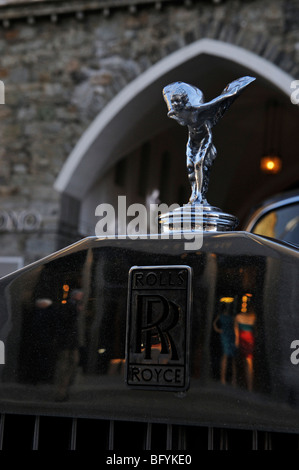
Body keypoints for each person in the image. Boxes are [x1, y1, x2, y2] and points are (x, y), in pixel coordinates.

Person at [213, 303, 237, 386]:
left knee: (232, 357)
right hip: (225, 335)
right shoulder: (221, 316)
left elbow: (235, 326)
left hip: (230, 335)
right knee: (226, 355)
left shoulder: (232, 317)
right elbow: (214, 324)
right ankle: (223, 378)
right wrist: (218, 330)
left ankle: (233, 379)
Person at [234, 306, 256, 391]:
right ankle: (249, 385)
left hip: (243, 338)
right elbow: (255, 330)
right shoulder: (253, 317)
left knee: (240, 360)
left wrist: (236, 341)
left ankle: (236, 382)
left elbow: (236, 331)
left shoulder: (238, 317)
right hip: (249, 339)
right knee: (248, 362)